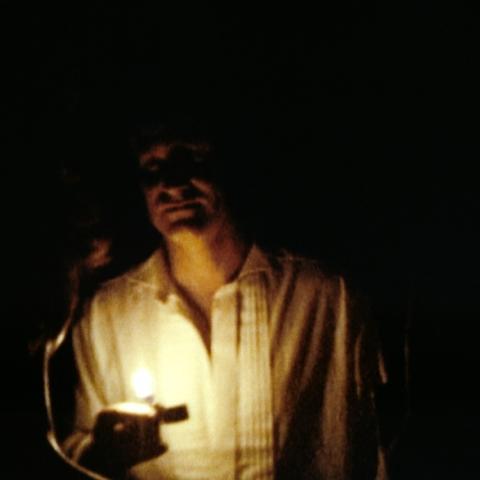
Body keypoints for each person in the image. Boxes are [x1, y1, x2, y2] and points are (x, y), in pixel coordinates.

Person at [61, 118, 388, 479]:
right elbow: (77, 452)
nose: (171, 183)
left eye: (189, 158)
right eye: (153, 167)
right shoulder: (105, 315)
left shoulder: (327, 298)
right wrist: (104, 452)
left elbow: (381, 446)